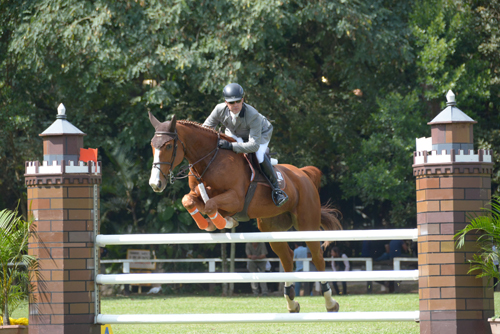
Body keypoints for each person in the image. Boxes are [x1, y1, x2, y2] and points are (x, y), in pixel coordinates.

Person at [203, 83, 288, 207]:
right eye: (232, 103)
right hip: (236, 132)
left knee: (258, 155)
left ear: (243, 100)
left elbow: (253, 145)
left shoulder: (252, 114)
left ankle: (277, 190)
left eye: (238, 101)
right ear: (226, 102)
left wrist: (231, 146)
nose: (235, 105)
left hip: (261, 133)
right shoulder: (219, 109)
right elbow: (206, 129)